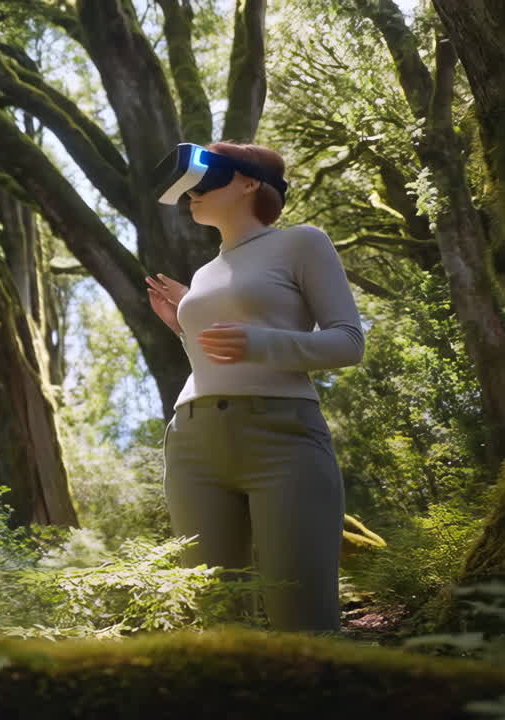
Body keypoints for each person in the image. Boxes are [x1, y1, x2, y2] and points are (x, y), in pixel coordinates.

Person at [145, 141, 366, 634]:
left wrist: (260, 342)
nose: (192, 194)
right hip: (193, 444)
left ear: (248, 183)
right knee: (220, 622)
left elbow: (348, 342)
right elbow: (221, 358)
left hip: (282, 438)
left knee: (303, 619)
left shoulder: (301, 242)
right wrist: (185, 329)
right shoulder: (203, 274)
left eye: (206, 181)